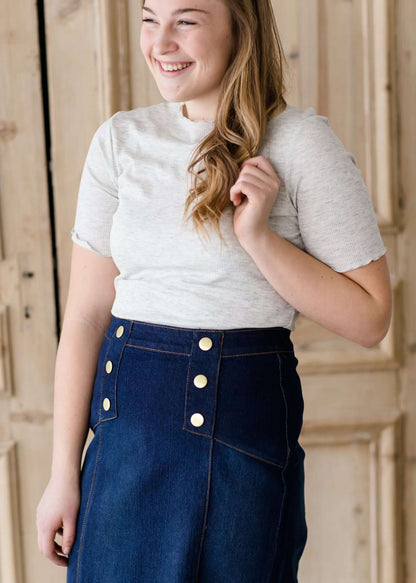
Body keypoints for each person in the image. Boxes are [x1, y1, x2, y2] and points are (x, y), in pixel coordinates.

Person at [36, 0, 392, 581]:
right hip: (122, 436)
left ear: (239, 28)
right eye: (151, 19)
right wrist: (62, 474)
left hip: (237, 439)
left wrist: (259, 239)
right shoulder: (119, 141)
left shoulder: (300, 142)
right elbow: (85, 316)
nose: (161, 42)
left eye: (187, 20)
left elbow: (371, 317)